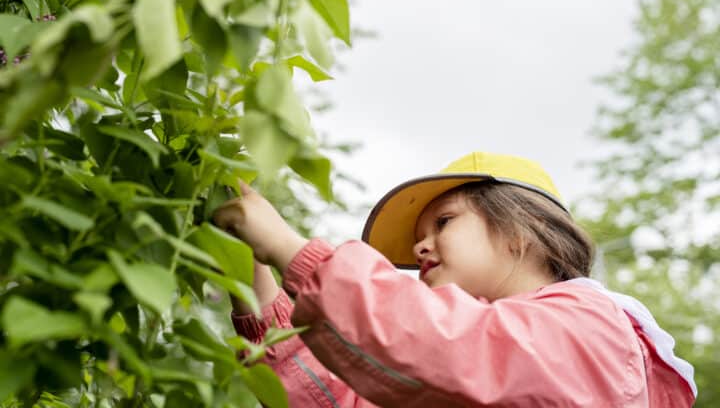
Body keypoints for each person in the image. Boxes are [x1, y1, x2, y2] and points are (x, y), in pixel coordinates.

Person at [213, 151, 697, 407]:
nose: (420, 248)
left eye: (443, 222)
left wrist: (290, 249)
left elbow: (448, 343)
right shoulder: (469, 371)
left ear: (521, 232)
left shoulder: (590, 328)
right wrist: (251, 277)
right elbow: (342, 399)